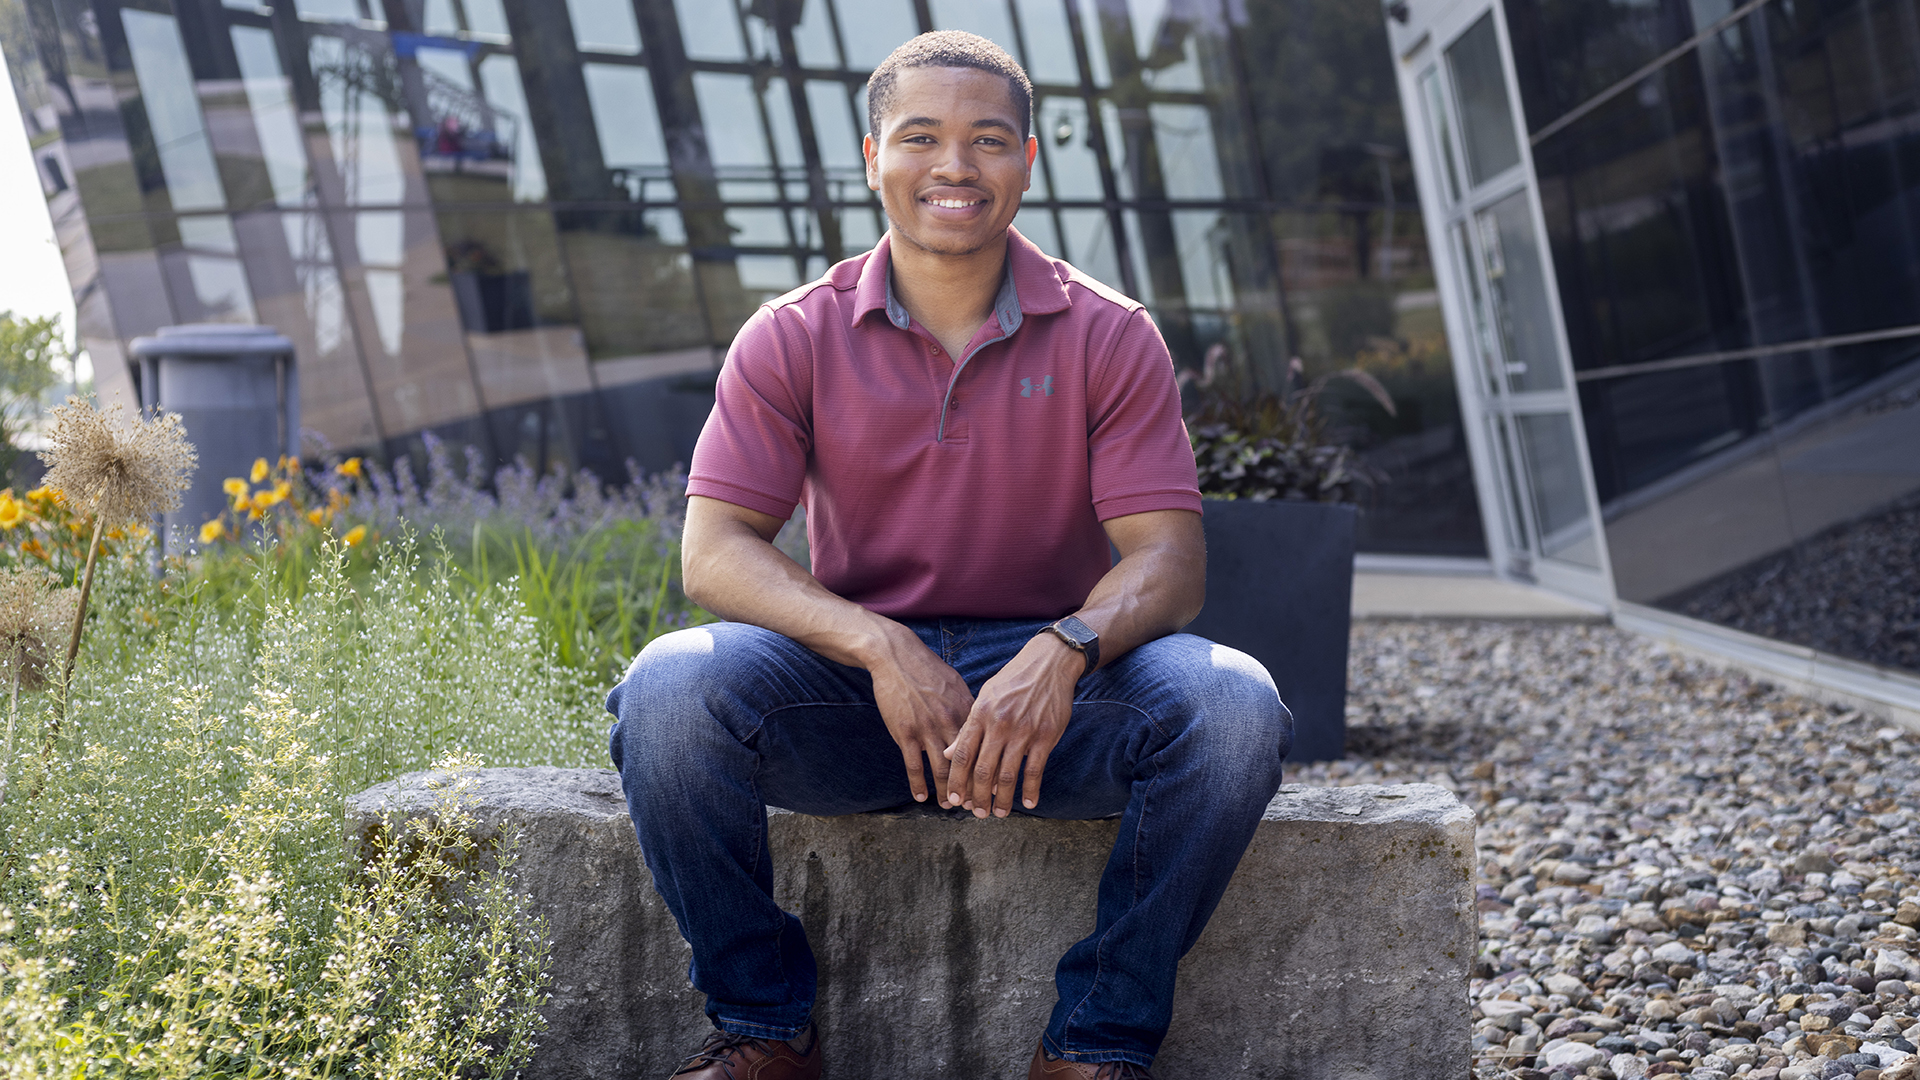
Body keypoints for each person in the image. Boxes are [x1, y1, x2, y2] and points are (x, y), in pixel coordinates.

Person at [606, 30, 1291, 1080]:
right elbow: (715, 556)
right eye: (920, 137)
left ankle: (1095, 1043)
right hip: (852, 702)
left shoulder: (1111, 333)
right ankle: (764, 1034)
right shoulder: (791, 333)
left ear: (1027, 159)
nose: (955, 167)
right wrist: (879, 646)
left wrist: (1064, 652)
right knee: (668, 690)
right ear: (873, 154)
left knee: (1236, 706)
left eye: (988, 140)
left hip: (1052, 708)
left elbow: (1170, 563)